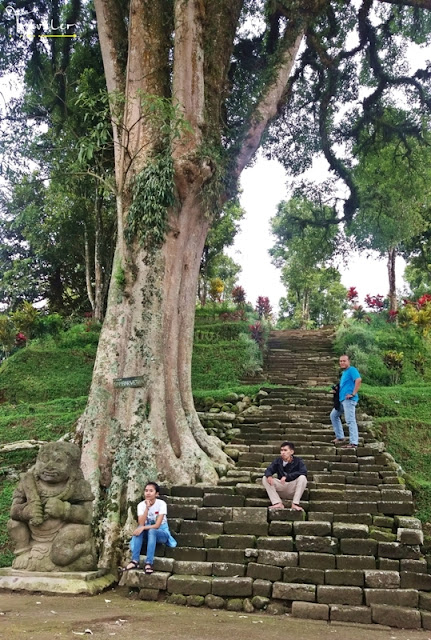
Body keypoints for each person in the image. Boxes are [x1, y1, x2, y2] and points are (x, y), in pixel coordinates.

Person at [122, 481, 176, 574]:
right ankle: (135, 561)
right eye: (146, 490)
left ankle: (149, 563)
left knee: (150, 530)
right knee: (140, 529)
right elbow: (141, 523)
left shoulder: (161, 504)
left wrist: (143, 527)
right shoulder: (141, 505)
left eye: (151, 491)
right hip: (148, 533)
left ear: (157, 494)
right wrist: (147, 508)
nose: (148, 493)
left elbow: (157, 525)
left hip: (161, 533)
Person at [262, 441, 307, 511]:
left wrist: (287, 477)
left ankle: (295, 503)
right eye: (281, 450)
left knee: (302, 478)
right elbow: (269, 469)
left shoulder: (298, 461)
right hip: (281, 486)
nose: (283, 452)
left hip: (292, 487)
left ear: (291, 452)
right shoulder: (277, 461)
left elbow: (303, 471)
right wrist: (269, 476)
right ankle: (277, 502)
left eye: (285, 450)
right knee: (265, 478)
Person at [330, 354, 362, 449]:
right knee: (333, 415)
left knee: (350, 420)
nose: (342, 363)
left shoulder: (352, 370)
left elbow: (358, 380)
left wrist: (353, 393)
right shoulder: (344, 373)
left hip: (349, 400)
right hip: (342, 400)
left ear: (349, 362)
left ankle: (354, 442)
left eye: (344, 361)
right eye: (340, 361)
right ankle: (340, 437)